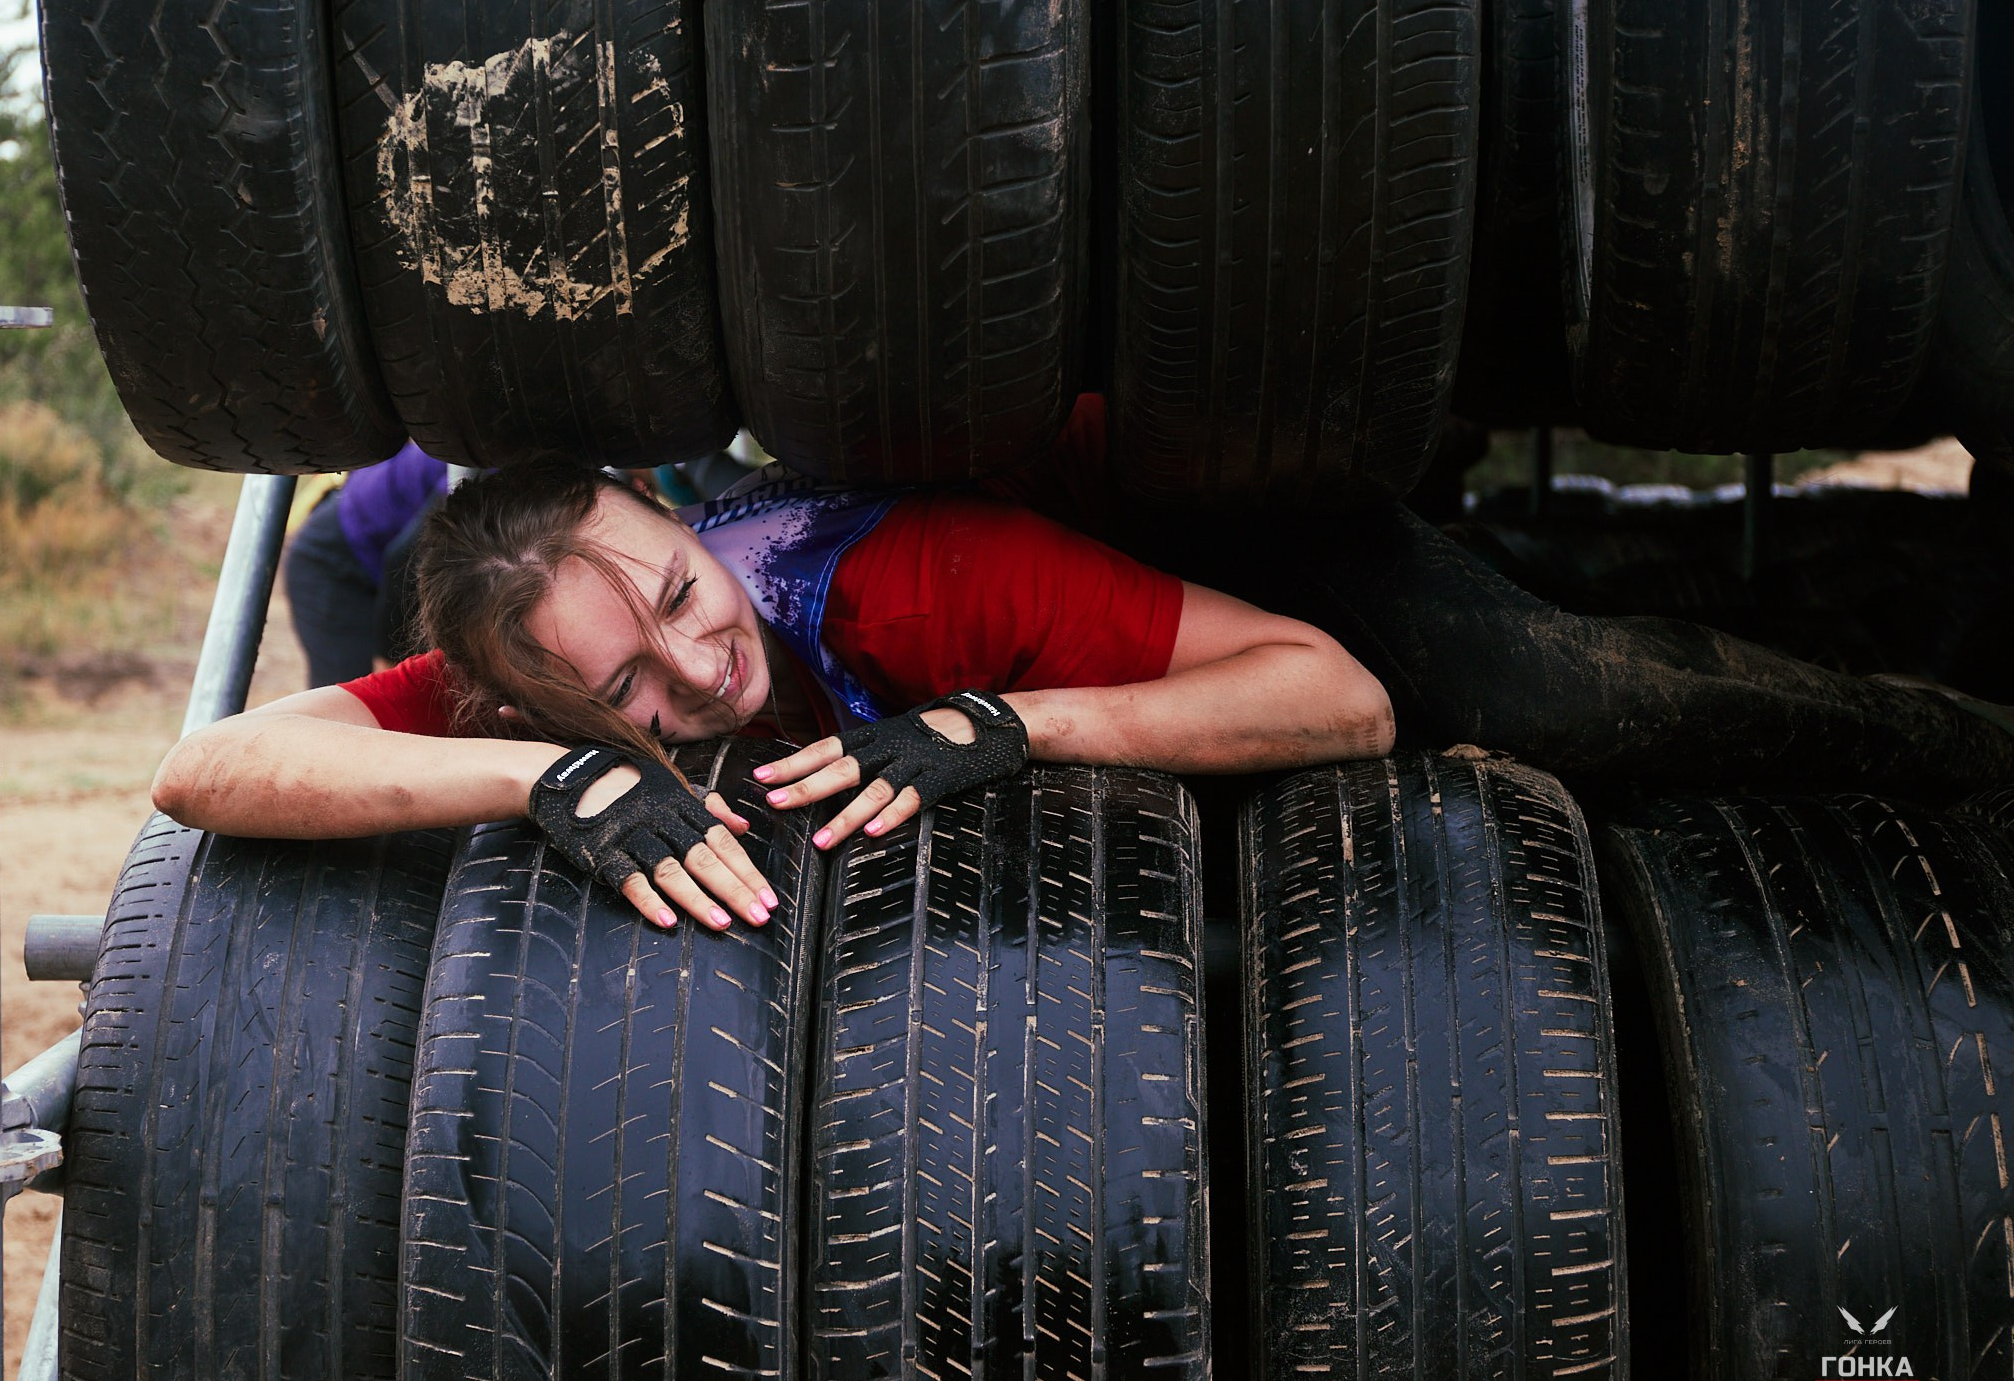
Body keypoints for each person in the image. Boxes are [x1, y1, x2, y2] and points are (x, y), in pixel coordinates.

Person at [159, 398, 2014, 936]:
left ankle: (1961, 733)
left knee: (1563, 691)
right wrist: (541, 776)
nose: (688, 671)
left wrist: (1013, 722)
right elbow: (212, 769)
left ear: (675, 521)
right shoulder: (547, 674)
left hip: (1231, 517)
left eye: (670, 596)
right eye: (620, 693)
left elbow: (1336, 695)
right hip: (1069, 543)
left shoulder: (897, 588)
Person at [280, 441, 446, 685]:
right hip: (332, 564)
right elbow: (407, 563)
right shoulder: (483, 464)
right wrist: (389, 658)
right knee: (348, 703)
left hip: (384, 560)